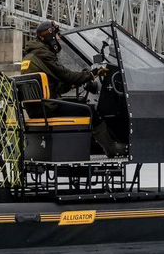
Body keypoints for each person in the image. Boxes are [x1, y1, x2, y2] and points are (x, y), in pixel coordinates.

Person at [22, 20, 127, 158]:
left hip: (38, 108)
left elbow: (58, 86)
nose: (59, 38)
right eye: (57, 35)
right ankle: (112, 148)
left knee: (78, 102)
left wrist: (76, 82)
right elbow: (68, 76)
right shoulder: (44, 54)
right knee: (90, 110)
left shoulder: (32, 55)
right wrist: (92, 74)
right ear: (50, 37)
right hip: (47, 109)